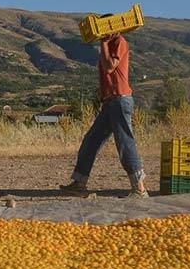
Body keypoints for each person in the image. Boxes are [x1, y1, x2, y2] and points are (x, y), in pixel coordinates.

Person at [60, 32, 147, 197]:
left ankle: (139, 188)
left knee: (125, 142)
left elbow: (109, 66)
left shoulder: (119, 41)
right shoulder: (109, 44)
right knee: (91, 141)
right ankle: (79, 183)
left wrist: (104, 43)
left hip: (120, 100)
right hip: (110, 102)